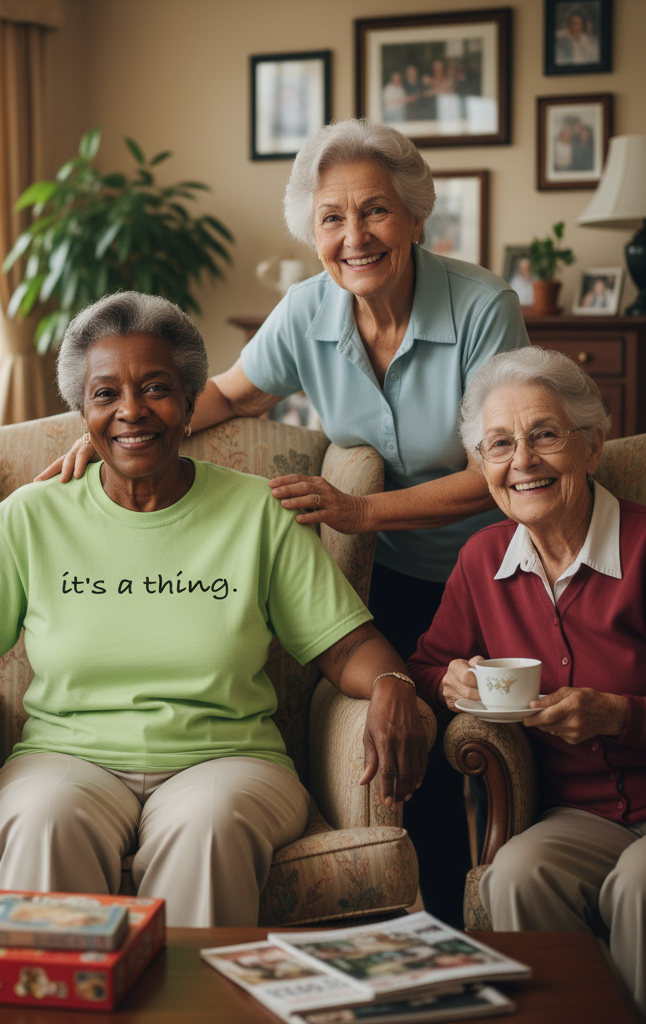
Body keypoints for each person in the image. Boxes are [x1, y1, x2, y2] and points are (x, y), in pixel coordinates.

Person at [40, 120, 530, 926]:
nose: (354, 236)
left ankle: (484, 938)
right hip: (389, 579)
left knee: (485, 767)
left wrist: (360, 510)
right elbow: (229, 393)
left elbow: (499, 471)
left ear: (415, 217)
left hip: (484, 572)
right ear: (313, 232)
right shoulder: (308, 310)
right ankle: (421, 943)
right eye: (332, 219)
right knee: (411, 772)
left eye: (375, 211)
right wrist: (115, 437)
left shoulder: (482, 307)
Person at [0, 292, 429, 928]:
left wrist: (392, 682)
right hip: (65, 758)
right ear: (83, 411)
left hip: (227, 760)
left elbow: (346, 646)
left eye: (155, 388)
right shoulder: (31, 514)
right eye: (106, 394)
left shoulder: (259, 510)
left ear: (188, 405)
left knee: (208, 827)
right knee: (45, 821)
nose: (131, 410)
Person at [408, 346, 645, 1014]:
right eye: (500, 444)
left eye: (544, 435)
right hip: (578, 816)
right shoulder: (483, 559)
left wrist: (619, 716)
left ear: (593, 446)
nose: (523, 462)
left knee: (640, 884)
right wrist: (451, 683)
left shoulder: (644, 545)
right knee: (517, 871)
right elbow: (428, 662)